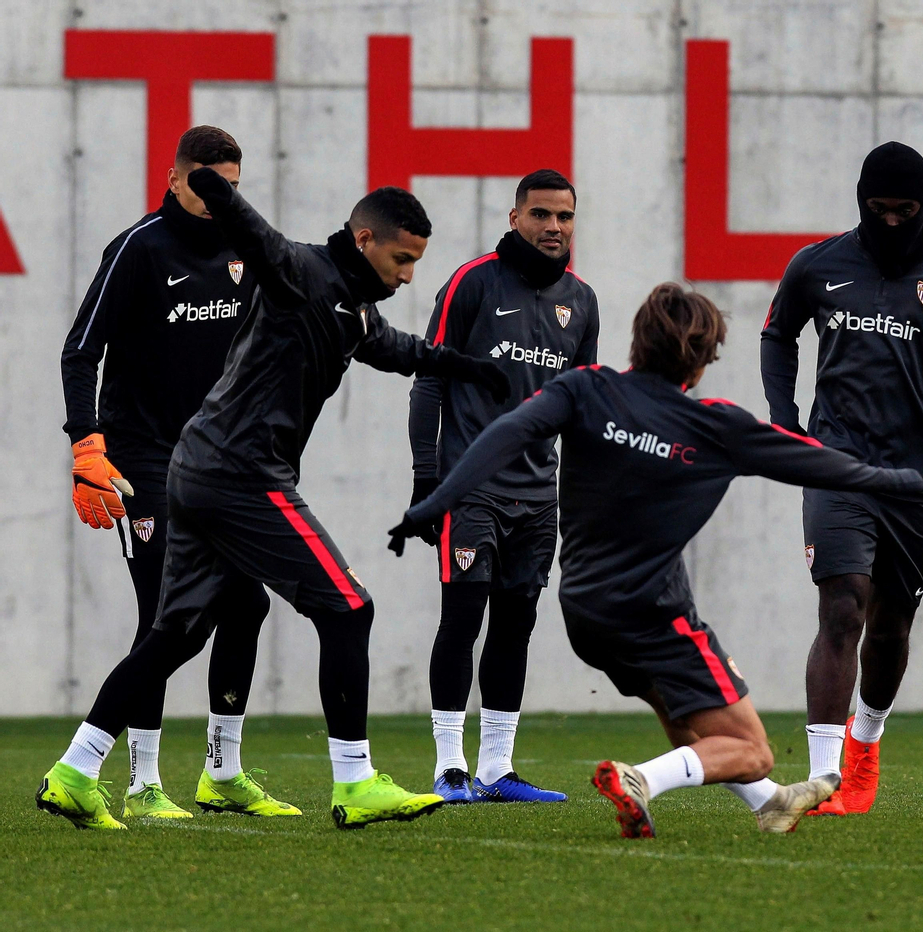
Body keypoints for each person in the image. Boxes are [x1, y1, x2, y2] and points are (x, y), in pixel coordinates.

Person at [35, 168, 510, 831]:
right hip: (239, 473)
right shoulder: (299, 271)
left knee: (177, 631)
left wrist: (475, 369)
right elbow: (254, 236)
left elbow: (399, 351)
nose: (407, 276)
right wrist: (213, 184)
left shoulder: (351, 304)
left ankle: (76, 771)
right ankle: (354, 781)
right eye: (401, 259)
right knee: (348, 607)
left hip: (199, 468)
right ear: (364, 238)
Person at [391, 283, 923, 838]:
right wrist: (899, 480)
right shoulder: (715, 425)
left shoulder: (584, 388)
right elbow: (818, 464)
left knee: (690, 722)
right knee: (752, 749)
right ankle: (640, 779)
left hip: (585, 613)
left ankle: (770, 804)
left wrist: (433, 500)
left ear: (636, 341)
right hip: (655, 614)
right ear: (701, 362)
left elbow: (505, 433)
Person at [759, 141, 923, 814]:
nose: (891, 221)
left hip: (917, 478)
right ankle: (822, 778)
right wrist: (785, 422)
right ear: (860, 203)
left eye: (906, 209)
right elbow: (779, 335)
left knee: (892, 626)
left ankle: (866, 744)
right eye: (878, 209)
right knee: (842, 605)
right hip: (835, 463)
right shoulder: (818, 265)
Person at [59, 125, 282, 820]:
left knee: (247, 604)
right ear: (176, 175)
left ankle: (222, 773)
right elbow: (79, 351)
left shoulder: (248, 247)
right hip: (142, 457)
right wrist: (85, 445)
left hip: (219, 459)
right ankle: (142, 783)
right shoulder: (138, 246)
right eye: (206, 184)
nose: (219, 199)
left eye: (232, 188)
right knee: (166, 612)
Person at [409, 169, 598, 804]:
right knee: (463, 616)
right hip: (471, 488)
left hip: (539, 497)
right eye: (541, 214)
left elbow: (583, 408)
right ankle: (449, 767)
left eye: (564, 217)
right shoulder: (472, 282)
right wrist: (426, 480)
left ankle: (495, 769)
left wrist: (586, 494)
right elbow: (429, 381)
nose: (553, 227)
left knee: (515, 624)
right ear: (515, 215)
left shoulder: (583, 302)